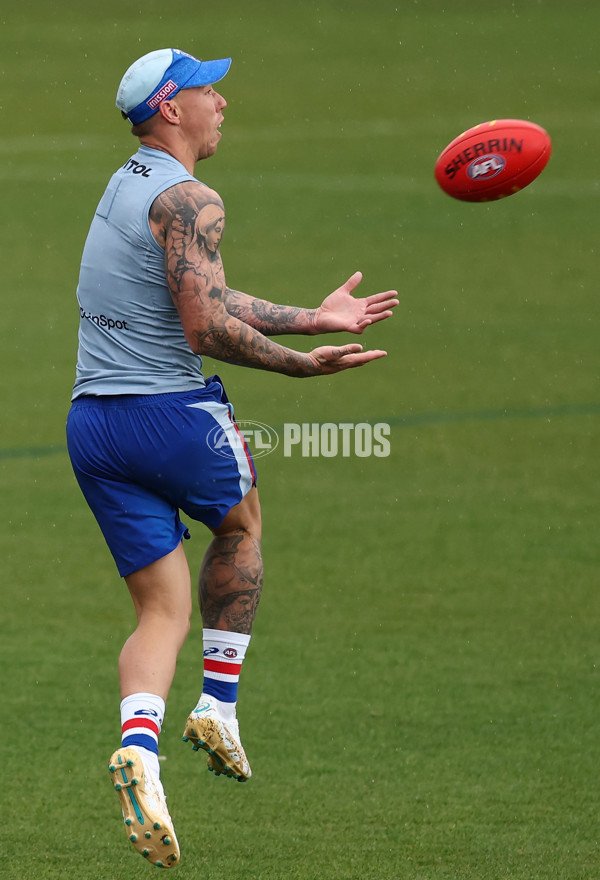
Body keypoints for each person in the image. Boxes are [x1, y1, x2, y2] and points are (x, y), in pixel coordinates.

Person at [66, 47, 398, 869]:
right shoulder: (193, 198)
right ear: (173, 106)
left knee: (160, 611)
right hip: (172, 415)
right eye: (209, 90)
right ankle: (219, 705)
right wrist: (302, 368)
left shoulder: (128, 184)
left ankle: (140, 751)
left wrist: (312, 320)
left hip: (93, 427)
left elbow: (202, 293)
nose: (225, 102)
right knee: (242, 526)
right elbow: (206, 328)